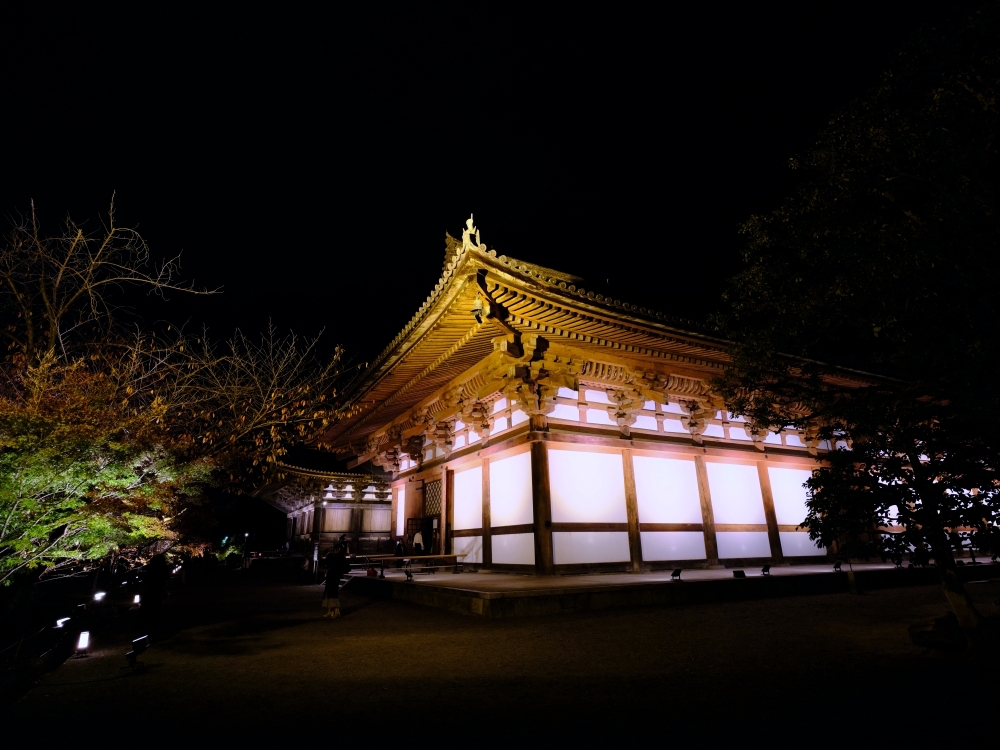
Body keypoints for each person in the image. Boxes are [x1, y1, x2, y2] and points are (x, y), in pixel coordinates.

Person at [322, 544, 349, 618]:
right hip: (331, 576)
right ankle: (330, 611)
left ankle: (336, 611)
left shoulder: (338, 556)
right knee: (329, 593)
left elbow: (334, 565)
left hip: (334, 577)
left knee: (333, 594)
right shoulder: (336, 556)